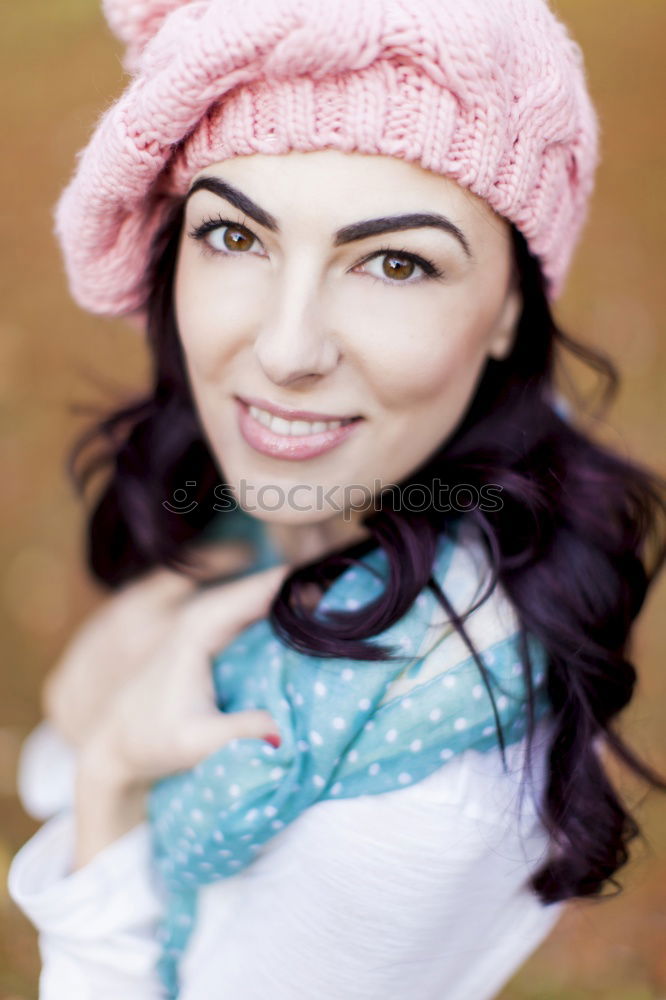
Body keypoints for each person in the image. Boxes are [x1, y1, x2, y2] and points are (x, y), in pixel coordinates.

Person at [7, 0, 666, 997]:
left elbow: (68, 767)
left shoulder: (412, 808)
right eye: (236, 235)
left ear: (510, 310)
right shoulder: (397, 470)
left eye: (396, 263)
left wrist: (108, 782)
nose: (284, 349)